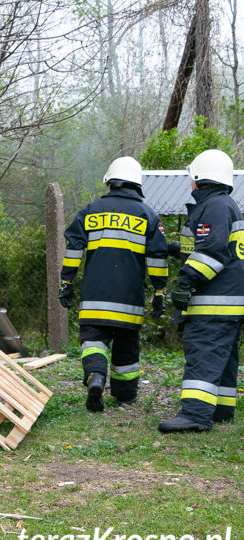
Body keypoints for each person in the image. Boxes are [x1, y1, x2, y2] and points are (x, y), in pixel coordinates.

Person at [59, 156, 168, 412]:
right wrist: (160, 291)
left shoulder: (90, 210)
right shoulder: (148, 215)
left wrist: (67, 282)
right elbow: (157, 258)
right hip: (130, 300)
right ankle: (125, 396)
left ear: (111, 181)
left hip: (95, 296)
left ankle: (95, 378)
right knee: (126, 346)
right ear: (137, 184)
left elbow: (74, 249)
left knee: (93, 341)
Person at [159, 149, 244, 433]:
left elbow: (212, 252)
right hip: (231, 302)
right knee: (223, 356)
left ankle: (195, 414)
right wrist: (176, 249)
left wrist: (186, 282)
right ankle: (221, 408)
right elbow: (214, 246)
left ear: (198, 177)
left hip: (213, 302)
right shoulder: (226, 204)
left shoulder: (214, 207)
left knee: (204, 352)